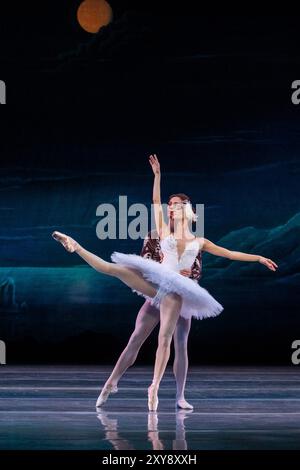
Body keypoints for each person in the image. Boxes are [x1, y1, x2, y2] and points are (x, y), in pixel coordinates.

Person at [52, 154, 278, 411]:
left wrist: (259, 257)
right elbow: (156, 201)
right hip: (160, 285)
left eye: (177, 204)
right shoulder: (164, 231)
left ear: (187, 209)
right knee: (131, 319)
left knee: (177, 343)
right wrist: (157, 176)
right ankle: (75, 246)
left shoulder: (200, 241)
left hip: (183, 292)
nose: (171, 207)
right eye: (171, 204)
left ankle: (174, 394)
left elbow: (231, 253)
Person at [95, 228, 202, 410]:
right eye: (173, 206)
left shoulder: (193, 240)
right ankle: (110, 383)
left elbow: (196, 270)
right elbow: (145, 263)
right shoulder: (155, 235)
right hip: (159, 292)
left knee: (181, 343)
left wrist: (189, 273)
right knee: (136, 338)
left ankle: (180, 396)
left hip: (181, 295)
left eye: (181, 206)